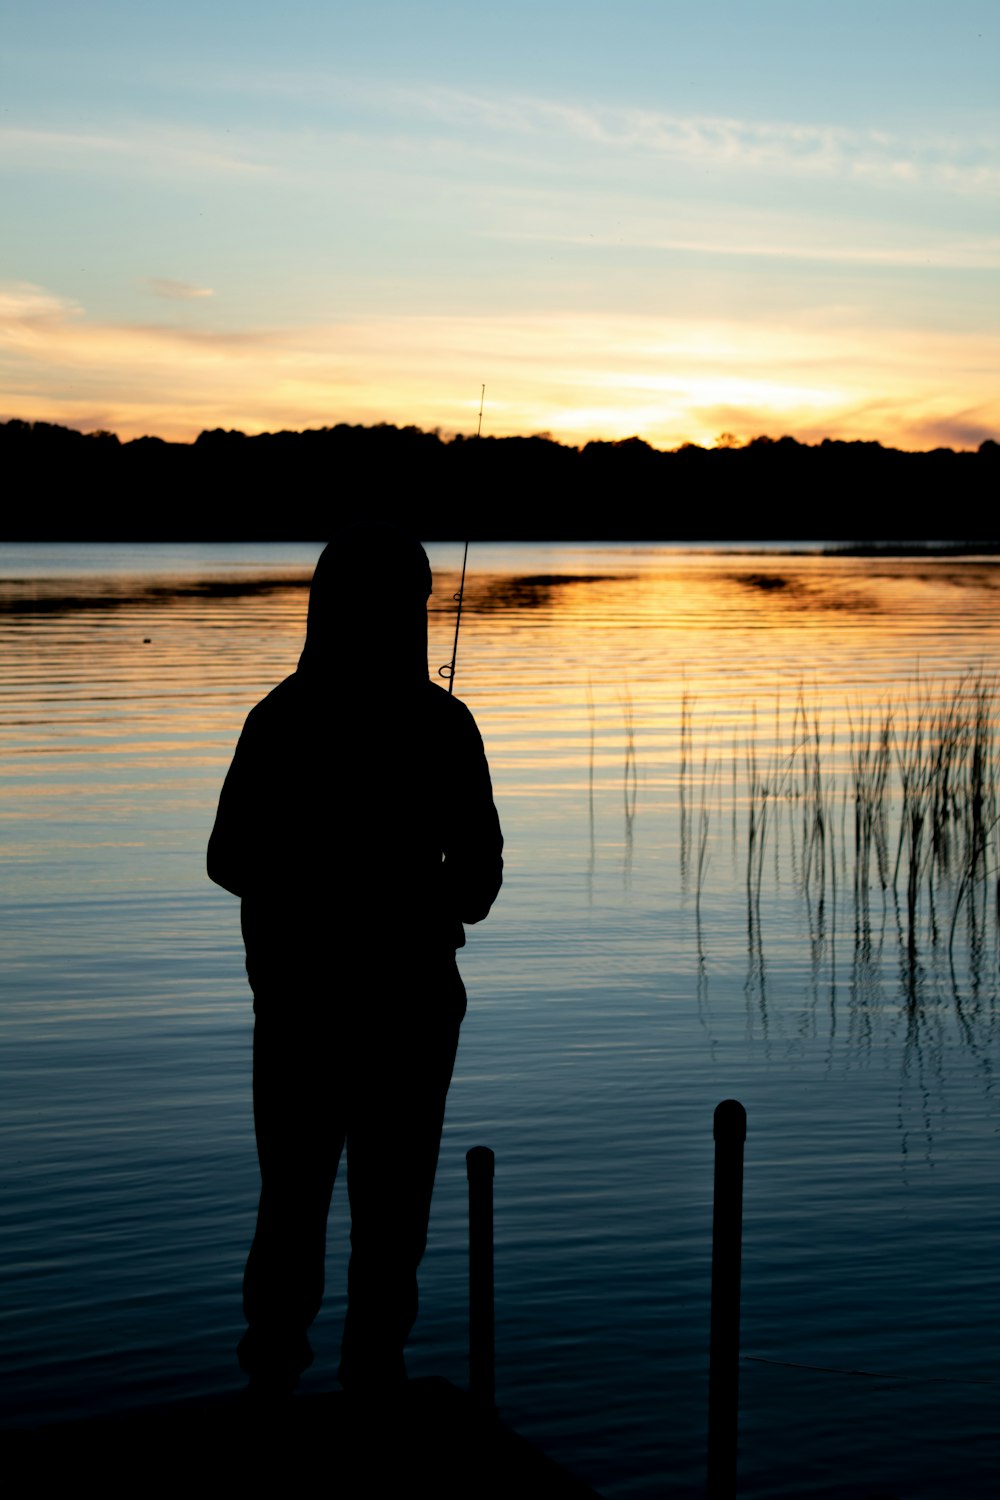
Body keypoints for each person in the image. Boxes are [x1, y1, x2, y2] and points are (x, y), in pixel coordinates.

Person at [207, 529, 503, 1395]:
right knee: (361, 1221)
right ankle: (343, 1390)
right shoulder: (431, 725)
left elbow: (230, 861)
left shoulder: (285, 719)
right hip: (348, 1010)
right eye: (407, 603)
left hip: (344, 1009)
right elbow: (477, 883)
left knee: (333, 1216)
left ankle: (298, 1387)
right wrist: (403, 892)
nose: (413, 619)